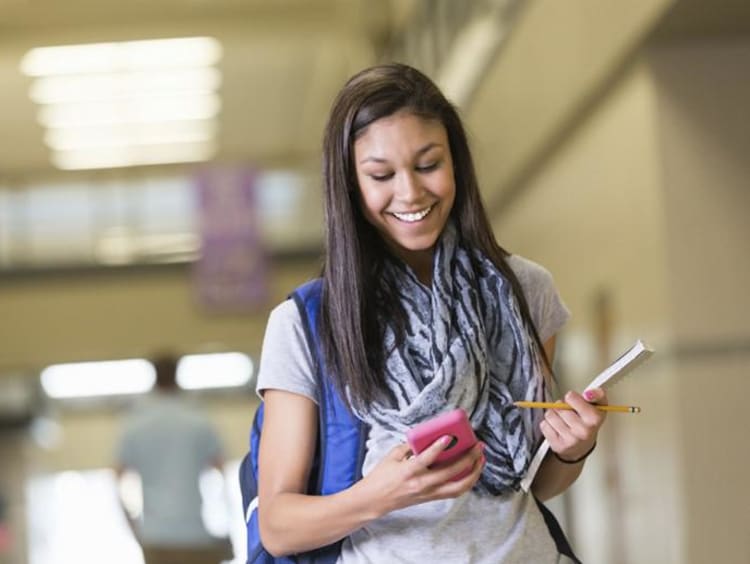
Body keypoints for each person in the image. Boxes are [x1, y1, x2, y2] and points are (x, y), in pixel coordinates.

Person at [255, 62, 608, 562]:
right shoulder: (306, 322)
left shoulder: (524, 289)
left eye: (428, 165)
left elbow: (532, 484)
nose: (411, 193)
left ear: (456, 163)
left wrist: (573, 448)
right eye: (381, 174)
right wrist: (382, 494)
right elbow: (278, 526)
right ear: (351, 186)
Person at [115, 353, 232, 564]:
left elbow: (118, 478)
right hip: (196, 535)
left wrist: (132, 526)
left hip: (155, 537)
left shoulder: (135, 425)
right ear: (178, 375)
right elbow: (221, 473)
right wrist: (226, 524)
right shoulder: (198, 421)